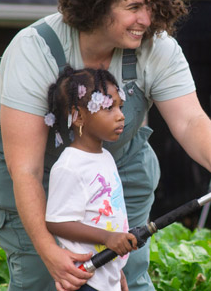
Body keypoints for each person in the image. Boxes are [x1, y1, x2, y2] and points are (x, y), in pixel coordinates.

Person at [0, 0, 211, 289]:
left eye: (150, 7)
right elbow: (25, 169)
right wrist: (49, 252)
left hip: (111, 154)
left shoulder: (156, 47)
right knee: (45, 272)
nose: (146, 19)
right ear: (96, 5)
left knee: (126, 264)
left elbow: (189, 119)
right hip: (19, 159)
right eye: (133, 8)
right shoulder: (35, 50)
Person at [44, 67, 137, 291]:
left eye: (120, 107)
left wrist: (116, 270)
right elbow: (57, 222)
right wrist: (108, 238)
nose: (121, 116)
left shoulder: (105, 157)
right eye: (109, 108)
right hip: (86, 280)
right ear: (78, 116)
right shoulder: (70, 166)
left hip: (106, 275)